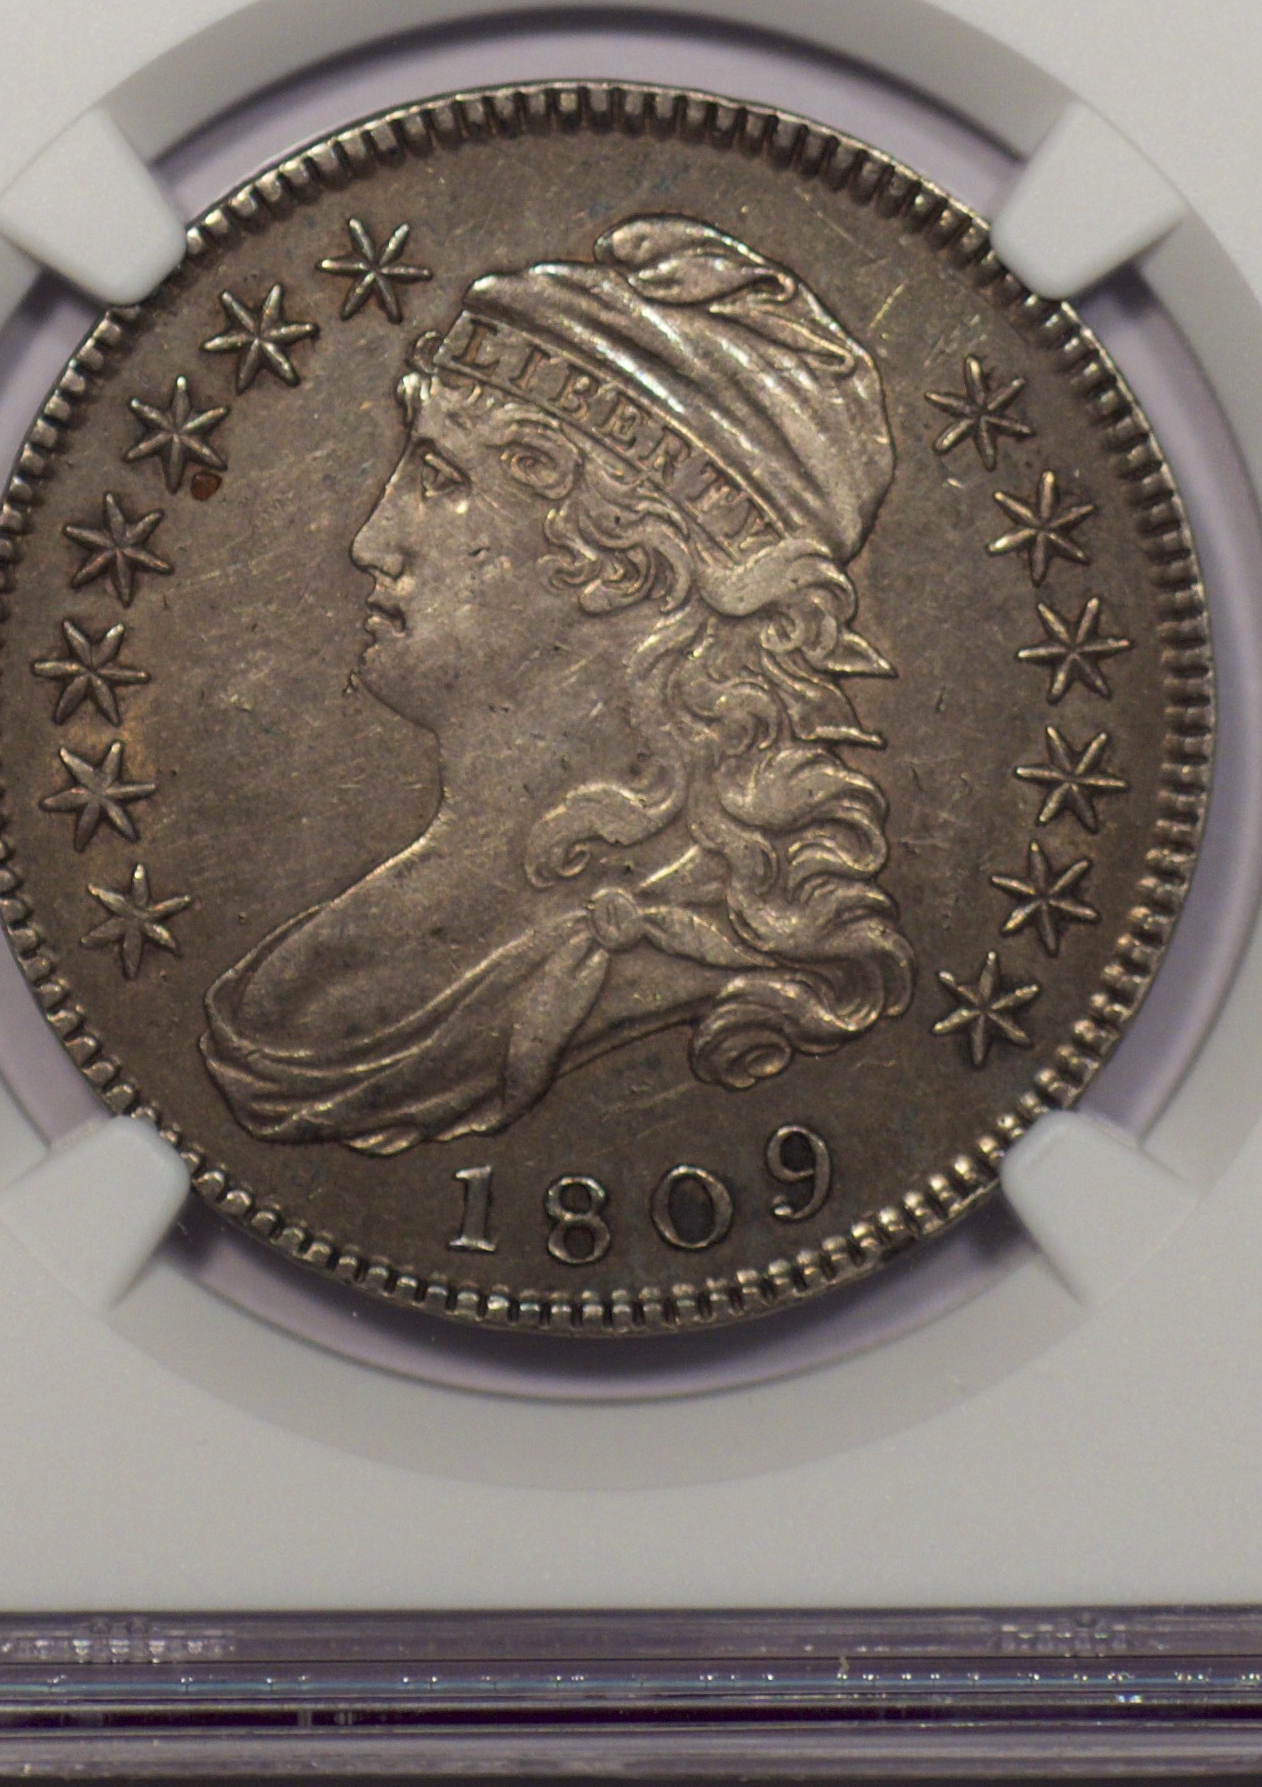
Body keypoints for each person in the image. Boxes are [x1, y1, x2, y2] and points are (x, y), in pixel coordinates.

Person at [199, 212, 915, 1153]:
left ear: (627, 563)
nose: (372, 541)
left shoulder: (694, 961)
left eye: (440, 478)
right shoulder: (343, 956)